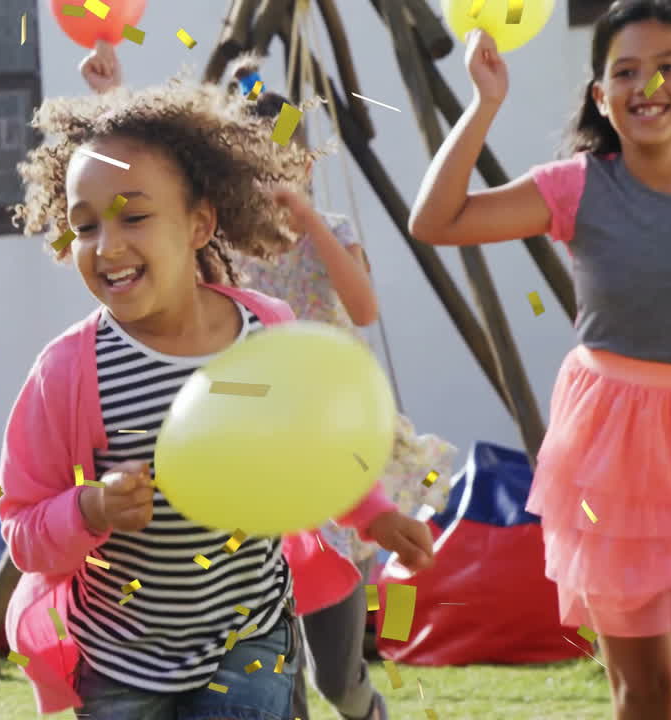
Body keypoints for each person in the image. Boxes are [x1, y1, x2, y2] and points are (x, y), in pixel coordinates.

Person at [0, 72, 435, 720]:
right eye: (84, 226)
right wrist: (89, 507)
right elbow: (23, 529)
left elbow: (309, 453)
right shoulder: (66, 371)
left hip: (249, 646)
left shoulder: (266, 332)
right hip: (119, 663)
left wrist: (373, 514)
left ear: (200, 224)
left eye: (135, 216)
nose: (107, 246)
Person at [408, 2, 671, 718]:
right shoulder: (579, 186)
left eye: (668, 67)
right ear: (600, 96)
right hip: (614, 455)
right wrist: (485, 104)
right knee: (644, 689)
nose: (649, 85)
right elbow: (437, 221)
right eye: (627, 71)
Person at [221, 53, 458, 720]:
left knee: (339, 679)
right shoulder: (219, 245)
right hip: (255, 458)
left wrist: (312, 222)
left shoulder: (334, 233)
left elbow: (364, 310)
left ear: (308, 168)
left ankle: (363, 704)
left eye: (288, 170)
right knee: (274, 672)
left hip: (333, 452)